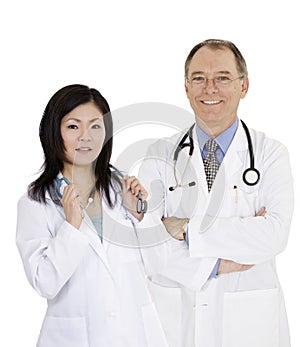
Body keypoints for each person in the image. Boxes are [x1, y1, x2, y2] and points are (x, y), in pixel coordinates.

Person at [138, 39, 294, 347]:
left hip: (248, 322)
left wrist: (184, 229)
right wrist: (216, 264)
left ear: (243, 85)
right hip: (176, 319)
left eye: (222, 77)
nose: (210, 88)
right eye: (199, 78)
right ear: (186, 88)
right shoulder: (159, 155)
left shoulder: (270, 154)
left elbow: (274, 234)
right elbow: (146, 244)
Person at [16, 84, 170, 347]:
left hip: (135, 335)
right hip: (73, 339)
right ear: (55, 132)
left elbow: (160, 267)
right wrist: (71, 226)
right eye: (73, 126)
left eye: (95, 126)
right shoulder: (36, 202)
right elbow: (45, 283)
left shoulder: (126, 190)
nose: (86, 136)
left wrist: (139, 215)